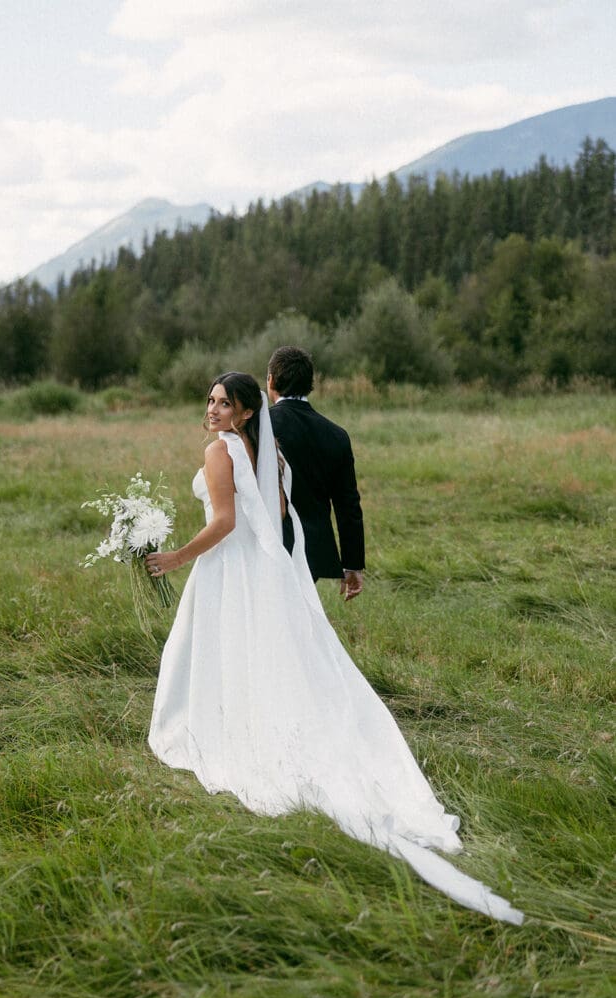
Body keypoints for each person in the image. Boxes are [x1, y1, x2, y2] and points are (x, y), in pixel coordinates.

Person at [145, 371, 523, 925]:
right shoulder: (266, 453)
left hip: (229, 569)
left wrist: (174, 558)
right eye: (210, 401)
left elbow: (224, 522)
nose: (212, 410)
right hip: (262, 569)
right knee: (266, 658)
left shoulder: (219, 452)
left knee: (225, 655)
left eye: (224, 404)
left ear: (248, 412)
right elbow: (273, 518)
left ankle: (228, 728)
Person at [268, 347, 364, 599]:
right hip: (312, 549)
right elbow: (348, 505)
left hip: (268, 542)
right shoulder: (336, 435)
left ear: (270, 380)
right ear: (310, 384)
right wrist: (352, 564)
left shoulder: (260, 426)